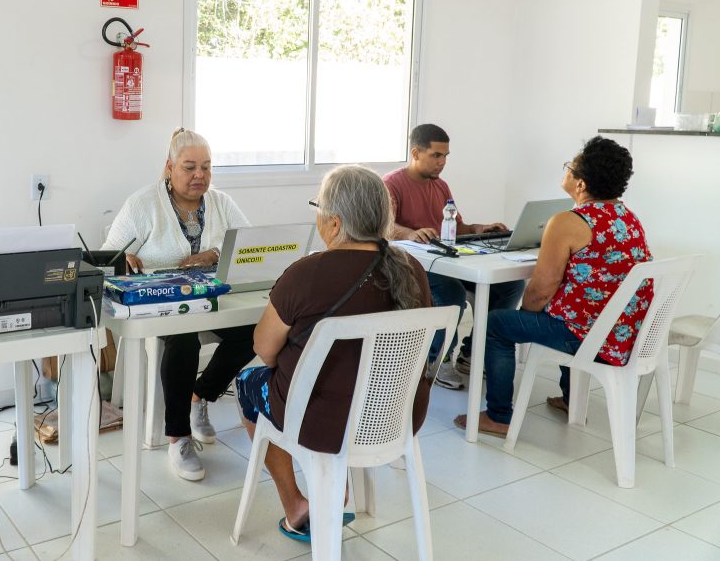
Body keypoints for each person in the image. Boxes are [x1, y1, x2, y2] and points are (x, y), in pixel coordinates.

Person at [234, 164, 432, 540]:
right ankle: (338, 491)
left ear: (336, 223)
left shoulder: (306, 273)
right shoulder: (413, 270)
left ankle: (297, 505)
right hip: (396, 416)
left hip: (326, 425)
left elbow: (264, 349)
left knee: (247, 382)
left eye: (319, 208)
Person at [454, 136, 653, 437]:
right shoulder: (628, 217)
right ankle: (570, 398)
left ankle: (498, 417)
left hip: (592, 338)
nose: (566, 172)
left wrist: (526, 315)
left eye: (570, 167)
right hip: (623, 333)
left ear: (581, 184)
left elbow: (540, 290)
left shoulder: (568, 222)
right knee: (563, 307)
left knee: (496, 324)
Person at [101, 127, 254, 481]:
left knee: (256, 330)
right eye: (189, 167)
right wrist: (127, 259)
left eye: (206, 167)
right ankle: (178, 436)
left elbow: (248, 246)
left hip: (213, 300)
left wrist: (215, 253)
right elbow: (108, 254)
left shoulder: (221, 203)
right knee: (182, 339)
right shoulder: (143, 205)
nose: (199, 175)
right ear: (169, 167)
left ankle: (200, 396)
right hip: (164, 304)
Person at [383, 123, 525, 390]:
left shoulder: (441, 186)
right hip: (409, 264)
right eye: (436, 155)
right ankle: (437, 360)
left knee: (510, 285)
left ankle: (472, 353)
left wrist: (479, 229)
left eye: (446, 156)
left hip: (447, 260)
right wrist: (410, 233)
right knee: (451, 294)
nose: (442, 162)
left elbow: (455, 226)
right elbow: (385, 227)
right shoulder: (391, 183)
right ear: (415, 152)